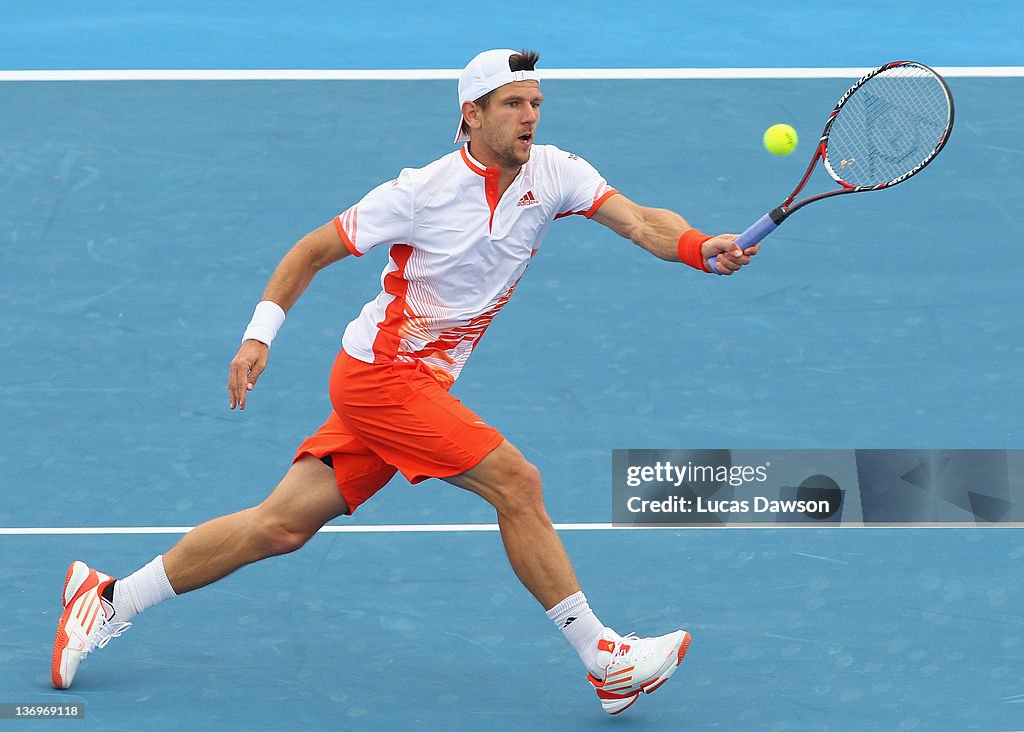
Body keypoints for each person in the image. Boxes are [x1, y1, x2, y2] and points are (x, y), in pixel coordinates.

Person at [51, 48, 758, 715]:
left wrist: (698, 246)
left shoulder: (557, 173)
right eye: (512, 103)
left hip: (418, 385)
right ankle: (604, 659)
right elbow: (312, 250)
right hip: (381, 378)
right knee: (516, 482)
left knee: (279, 527)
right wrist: (258, 336)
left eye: (536, 102)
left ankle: (106, 599)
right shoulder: (420, 192)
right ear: (471, 116)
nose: (530, 116)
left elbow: (640, 222)